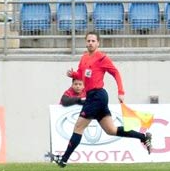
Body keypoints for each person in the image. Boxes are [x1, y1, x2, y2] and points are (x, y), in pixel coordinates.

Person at [51, 32, 152, 168]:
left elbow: (115, 72)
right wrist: (73, 74)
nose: (90, 43)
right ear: (85, 43)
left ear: (98, 43)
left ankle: (63, 160)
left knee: (78, 127)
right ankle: (143, 137)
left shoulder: (102, 57)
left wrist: (121, 91)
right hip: (93, 96)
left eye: (93, 41)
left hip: (98, 96)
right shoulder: (84, 57)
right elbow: (81, 74)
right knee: (111, 130)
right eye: (88, 41)